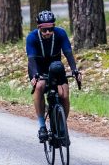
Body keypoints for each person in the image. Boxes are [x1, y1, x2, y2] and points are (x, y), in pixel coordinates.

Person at [26, 10, 82, 142]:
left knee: (64, 95)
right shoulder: (32, 37)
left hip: (56, 67)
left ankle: (62, 126)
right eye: (44, 30)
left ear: (54, 27)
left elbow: (68, 53)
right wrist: (35, 75)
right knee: (39, 86)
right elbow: (31, 59)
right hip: (38, 68)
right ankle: (42, 127)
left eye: (50, 29)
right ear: (39, 28)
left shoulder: (60, 33)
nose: (47, 33)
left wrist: (75, 70)